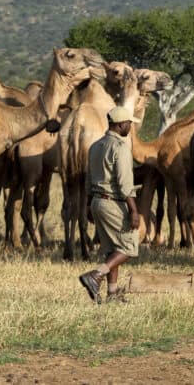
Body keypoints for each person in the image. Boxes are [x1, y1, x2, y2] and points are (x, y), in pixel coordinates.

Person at [78, 106, 141, 304]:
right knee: (128, 247)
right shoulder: (120, 148)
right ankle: (96, 275)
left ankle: (112, 294)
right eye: (129, 123)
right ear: (121, 124)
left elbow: (89, 178)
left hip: (97, 201)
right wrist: (133, 210)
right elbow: (124, 183)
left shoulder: (95, 146)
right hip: (114, 203)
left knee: (112, 249)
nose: (130, 126)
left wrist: (89, 204)